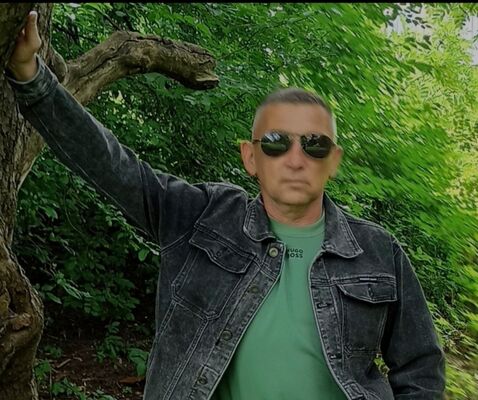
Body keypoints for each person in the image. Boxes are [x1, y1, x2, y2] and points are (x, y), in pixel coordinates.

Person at [7, 11, 445, 400]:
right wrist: (31, 76)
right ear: (250, 157)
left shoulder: (379, 252)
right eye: (276, 142)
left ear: (333, 160)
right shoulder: (200, 217)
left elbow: (421, 368)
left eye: (314, 145)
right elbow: (110, 165)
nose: (296, 159)